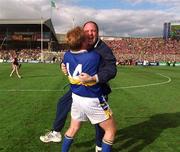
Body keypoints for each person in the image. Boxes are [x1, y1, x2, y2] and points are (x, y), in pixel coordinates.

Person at [40, 21, 117, 152]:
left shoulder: (103, 49)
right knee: (62, 103)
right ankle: (56, 132)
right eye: (87, 31)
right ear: (83, 33)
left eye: (93, 31)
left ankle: (99, 145)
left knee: (99, 125)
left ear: (97, 33)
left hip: (97, 91)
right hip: (79, 90)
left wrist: (94, 78)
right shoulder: (81, 45)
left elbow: (111, 69)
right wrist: (62, 66)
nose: (90, 33)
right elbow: (68, 59)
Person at [62, 26, 116, 152]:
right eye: (85, 36)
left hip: (76, 97)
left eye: (93, 31)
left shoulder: (67, 55)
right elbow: (108, 66)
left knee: (73, 128)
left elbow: (66, 60)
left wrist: (63, 66)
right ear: (82, 42)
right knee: (111, 130)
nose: (89, 37)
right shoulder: (94, 57)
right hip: (92, 98)